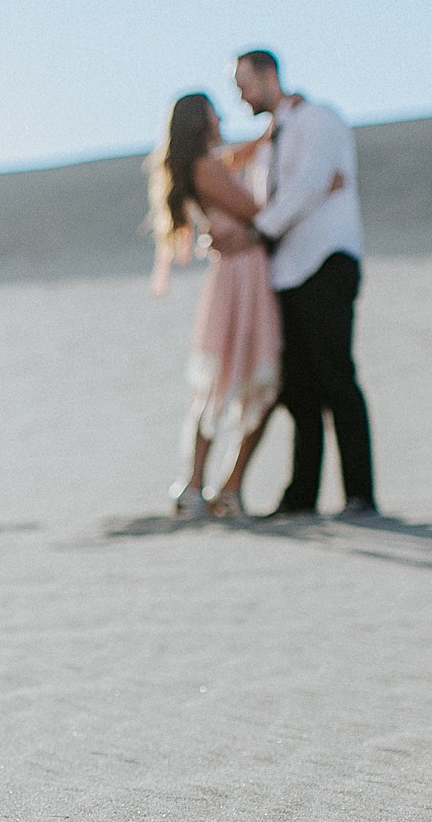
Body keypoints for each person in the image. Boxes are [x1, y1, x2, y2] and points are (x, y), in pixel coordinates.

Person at [146, 91, 329, 519]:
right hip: (241, 275)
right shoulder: (206, 166)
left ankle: (211, 487)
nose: (221, 116)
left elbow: (239, 157)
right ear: (200, 121)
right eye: (213, 112)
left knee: (234, 379)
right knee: (239, 379)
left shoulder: (208, 163)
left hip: (240, 271)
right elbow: (252, 209)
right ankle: (209, 487)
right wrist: (304, 196)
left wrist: (269, 135)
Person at [233, 49, 377, 518]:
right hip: (285, 272)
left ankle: (360, 495)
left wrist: (261, 228)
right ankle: (302, 497)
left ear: (269, 75)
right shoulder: (269, 142)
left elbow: (311, 183)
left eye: (244, 83)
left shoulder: (319, 120)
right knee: (298, 389)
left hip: (325, 262)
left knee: (337, 376)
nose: (241, 95)